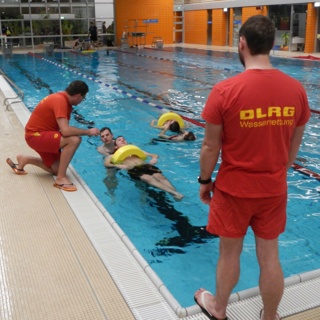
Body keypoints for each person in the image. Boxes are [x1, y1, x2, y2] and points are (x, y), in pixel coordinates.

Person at [194, 15, 310, 320]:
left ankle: (219, 309)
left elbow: (210, 147)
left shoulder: (224, 91)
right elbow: (293, 147)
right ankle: (269, 315)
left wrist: (205, 180)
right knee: (270, 255)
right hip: (273, 188)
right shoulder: (296, 90)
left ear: (242, 43)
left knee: (229, 253)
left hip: (234, 190)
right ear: (272, 45)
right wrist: (276, 173)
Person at [6, 80, 100, 192]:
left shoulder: (62, 99)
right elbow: (65, 131)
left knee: (56, 169)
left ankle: (25, 159)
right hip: (36, 136)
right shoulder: (60, 101)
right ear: (78, 96)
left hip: (41, 135)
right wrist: (88, 132)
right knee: (74, 140)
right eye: (83, 98)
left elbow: (63, 129)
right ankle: (60, 179)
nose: (81, 101)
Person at [104, 136, 183, 200]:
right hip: (133, 169)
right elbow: (106, 164)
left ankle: (175, 194)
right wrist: (118, 165)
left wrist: (154, 159)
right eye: (119, 140)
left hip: (146, 165)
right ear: (116, 146)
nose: (122, 140)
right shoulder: (113, 156)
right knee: (146, 177)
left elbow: (154, 155)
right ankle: (174, 193)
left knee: (159, 176)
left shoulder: (135, 150)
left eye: (124, 139)